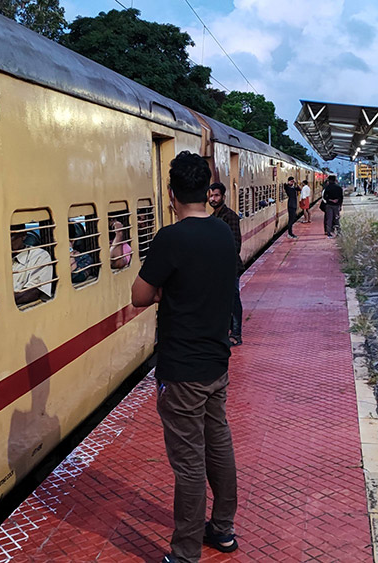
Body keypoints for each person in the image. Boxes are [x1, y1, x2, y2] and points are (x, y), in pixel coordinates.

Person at [131, 151, 238, 563]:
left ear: (171, 194)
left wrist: (166, 290)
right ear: (207, 191)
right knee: (219, 445)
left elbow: (140, 296)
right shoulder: (222, 233)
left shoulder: (171, 239)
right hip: (216, 364)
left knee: (189, 463)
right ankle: (223, 530)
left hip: (182, 370)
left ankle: (185, 553)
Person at [208, 182, 243, 347]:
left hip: (230, 267)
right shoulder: (213, 217)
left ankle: (236, 334)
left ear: (223, 196)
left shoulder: (230, 217)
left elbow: (236, 245)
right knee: (222, 300)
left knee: (233, 300)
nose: (213, 199)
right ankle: (226, 331)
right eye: (211, 196)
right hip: (217, 267)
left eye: (216, 195)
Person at [11, 226, 55, 304]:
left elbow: (34, 292)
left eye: (11, 236)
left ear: (23, 235)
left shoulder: (39, 256)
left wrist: (3, 301)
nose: (5, 240)